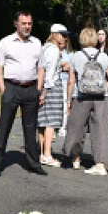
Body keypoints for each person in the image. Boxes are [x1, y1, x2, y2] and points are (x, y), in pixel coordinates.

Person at [0, 11, 47, 177]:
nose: (27, 27)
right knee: (4, 126)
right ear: (16, 24)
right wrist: (3, 89)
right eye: (24, 24)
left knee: (30, 128)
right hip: (11, 87)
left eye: (30, 23)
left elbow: (41, 67)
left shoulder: (36, 43)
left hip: (31, 88)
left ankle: (33, 163)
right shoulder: (6, 42)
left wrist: (38, 88)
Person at [63, 27, 108, 176]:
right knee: (101, 129)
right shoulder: (104, 56)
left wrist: (68, 100)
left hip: (81, 96)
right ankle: (100, 164)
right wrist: (102, 87)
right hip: (101, 98)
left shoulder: (76, 56)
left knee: (76, 127)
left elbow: (71, 81)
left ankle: (75, 158)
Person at [37, 24, 69, 167]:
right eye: (62, 34)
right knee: (51, 122)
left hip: (42, 85)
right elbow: (49, 73)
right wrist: (45, 91)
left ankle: (42, 152)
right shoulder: (54, 49)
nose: (64, 37)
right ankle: (47, 154)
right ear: (55, 34)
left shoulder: (44, 47)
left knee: (42, 121)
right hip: (51, 87)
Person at [58, 33, 73, 137]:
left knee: (65, 103)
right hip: (57, 80)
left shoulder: (70, 53)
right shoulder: (54, 52)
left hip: (66, 80)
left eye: (63, 42)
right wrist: (62, 66)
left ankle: (64, 126)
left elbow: (70, 66)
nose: (61, 45)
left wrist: (62, 65)